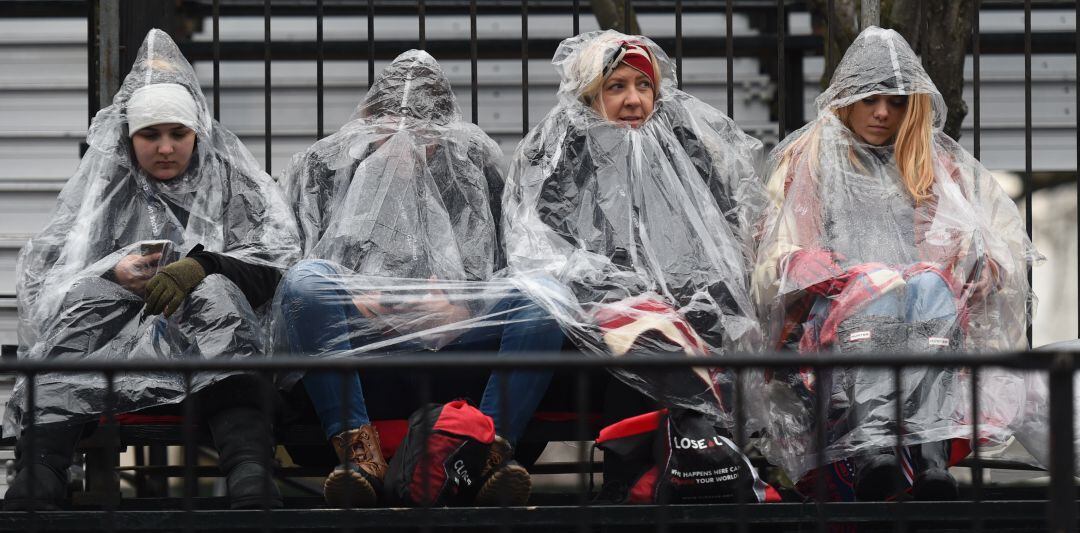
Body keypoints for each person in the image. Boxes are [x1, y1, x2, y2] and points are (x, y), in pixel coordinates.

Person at [3, 29, 301, 510]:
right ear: (129, 137)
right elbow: (50, 277)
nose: (165, 147)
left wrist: (201, 267)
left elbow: (277, 261)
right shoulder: (102, 191)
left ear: (196, 133)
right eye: (150, 135)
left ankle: (250, 474)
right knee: (85, 302)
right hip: (115, 350)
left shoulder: (236, 182)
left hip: (211, 347)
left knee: (218, 294)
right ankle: (39, 472)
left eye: (177, 133)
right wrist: (112, 276)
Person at [751, 26, 1037, 502]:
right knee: (882, 283)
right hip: (827, 328)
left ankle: (926, 458)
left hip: (921, 316)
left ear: (914, 107)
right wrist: (834, 272)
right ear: (847, 99)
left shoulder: (936, 165)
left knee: (926, 286)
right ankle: (874, 448)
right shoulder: (808, 159)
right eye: (870, 99)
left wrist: (974, 265)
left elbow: (987, 246)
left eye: (898, 101)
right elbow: (773, 261)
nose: (883, 113)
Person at [274, 50, 563, 508]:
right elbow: (291, 277)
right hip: (360, 358)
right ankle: (357, 453)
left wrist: (461, 312)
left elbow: (512, 268)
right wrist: (351, 299)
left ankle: (487, 452)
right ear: (369, 120)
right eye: (391, 121)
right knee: (306, 282)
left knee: (544, 297)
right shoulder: (324, 172)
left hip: (454, 357)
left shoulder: (479, 174)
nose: (406, 138)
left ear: (447, 130)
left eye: (424, 127)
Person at [501, 31, 767, 501]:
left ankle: (682, 468)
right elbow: (543, 247)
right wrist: (627, 293)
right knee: (644, 333)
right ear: (590, 94)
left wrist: (686, 294)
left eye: (643, 86)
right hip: (594, 317)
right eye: (617, 86)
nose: (633, 100)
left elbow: (723, 235)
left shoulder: (683, 146)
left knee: (706, 313)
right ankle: (646, 477)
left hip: (679, 306)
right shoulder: (561, 152)